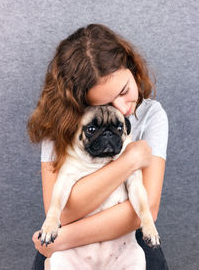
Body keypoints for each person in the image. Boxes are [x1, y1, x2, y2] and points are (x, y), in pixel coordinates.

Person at [28, 23, 169, 270]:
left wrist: (60, 240)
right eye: (105, 104)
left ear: (131, 67)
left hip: (123, 239)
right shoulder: (64, 121)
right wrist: (130, 160)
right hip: (67, 244)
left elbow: (148, 210)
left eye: (124, 90)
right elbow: (61, 213)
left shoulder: (152, 115)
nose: (123, 107)